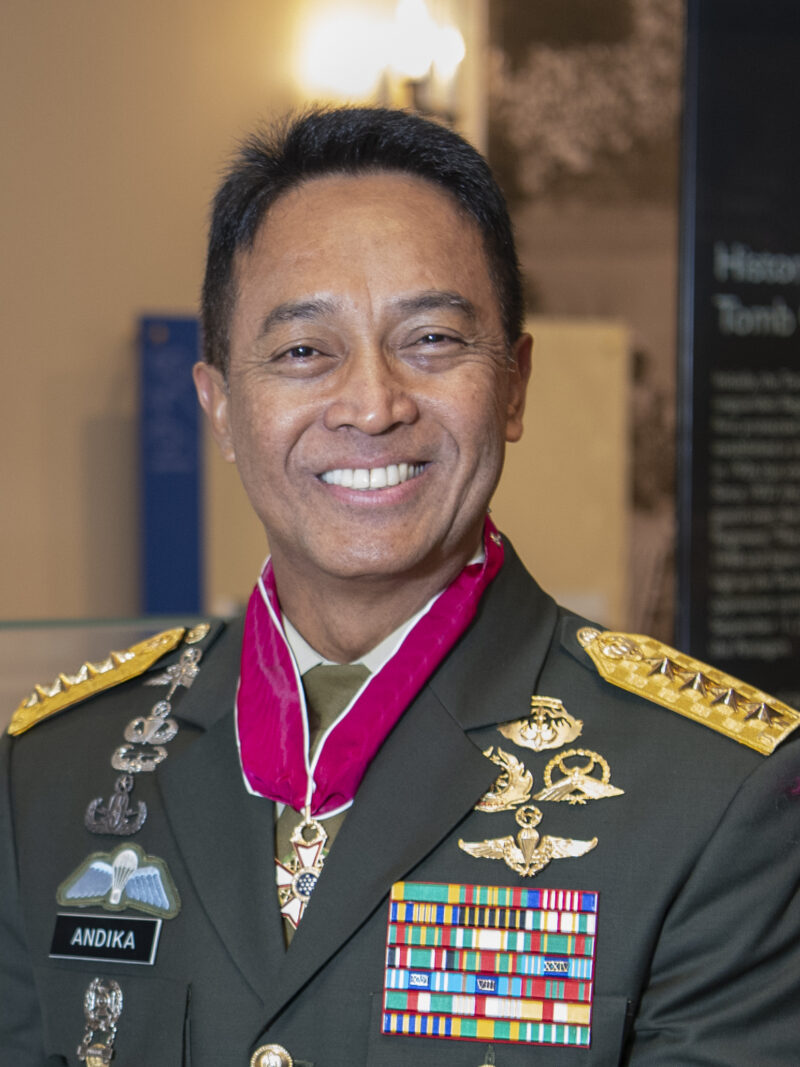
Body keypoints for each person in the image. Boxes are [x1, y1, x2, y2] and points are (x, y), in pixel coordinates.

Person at [2, 107, 799, 1067]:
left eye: (429, 339)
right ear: (220, 405)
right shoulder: (58, 773)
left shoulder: (715, 795)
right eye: (304, 351)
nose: (373, 405)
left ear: (513, 386)